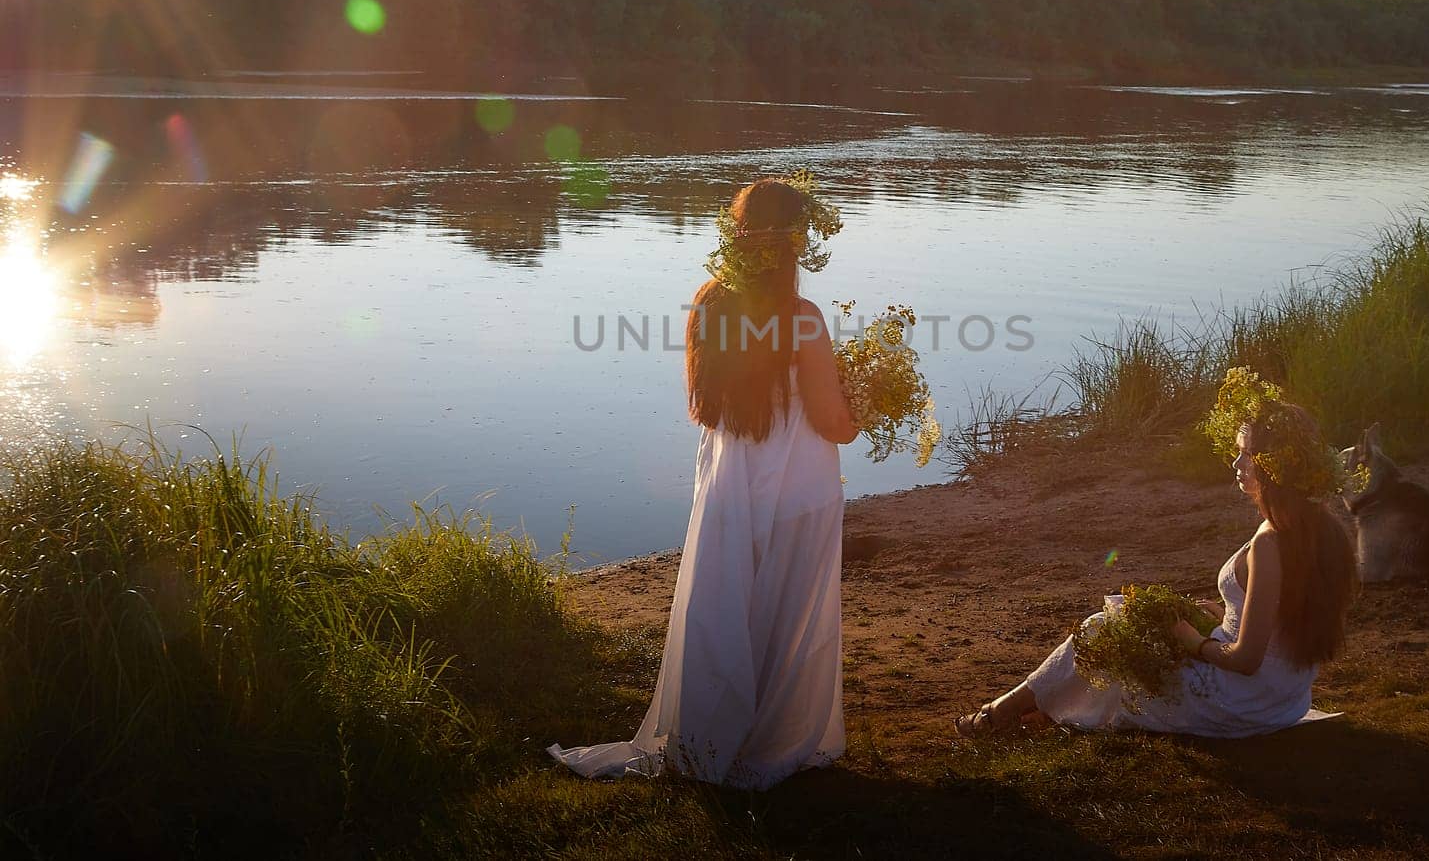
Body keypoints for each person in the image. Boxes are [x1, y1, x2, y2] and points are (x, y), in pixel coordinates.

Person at [549, 176, 857, 789]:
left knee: (723, 614)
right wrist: (863, 407)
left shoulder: (710, 305)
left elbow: (704, 407)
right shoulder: (803, 320)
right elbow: (833, 425)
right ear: (796, 244)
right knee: (788, 618)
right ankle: (775, 738)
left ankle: (709, 737)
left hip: (728, 491)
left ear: (737, 239)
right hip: (798, 492)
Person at [955, 391, 1359, 740]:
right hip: (1284, 700)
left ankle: (999, 714)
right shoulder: (1323, 530)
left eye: (1247, 454)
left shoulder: (1271, 543)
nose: (1237, 464)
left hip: (1242, 702)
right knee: (1124, 626)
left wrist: (1192, 640)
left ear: (1274, 466)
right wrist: (1226, 614)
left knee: (1102, 631)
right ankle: (1038, 712)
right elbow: (1280, 620)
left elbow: (1246, 660)